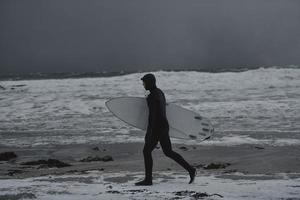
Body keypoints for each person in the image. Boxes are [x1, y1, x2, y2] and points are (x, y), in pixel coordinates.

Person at [135, 73, 196, 186]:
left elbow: (152, 116)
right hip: (164, 126)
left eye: (144, 82)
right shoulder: (160, 93)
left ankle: (148, 180)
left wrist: (149, 132)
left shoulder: (152, 96)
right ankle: (191, 170)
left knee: (146, 151)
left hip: (157, 128)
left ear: (149, 82)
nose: (143, 84)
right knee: (168, 152)